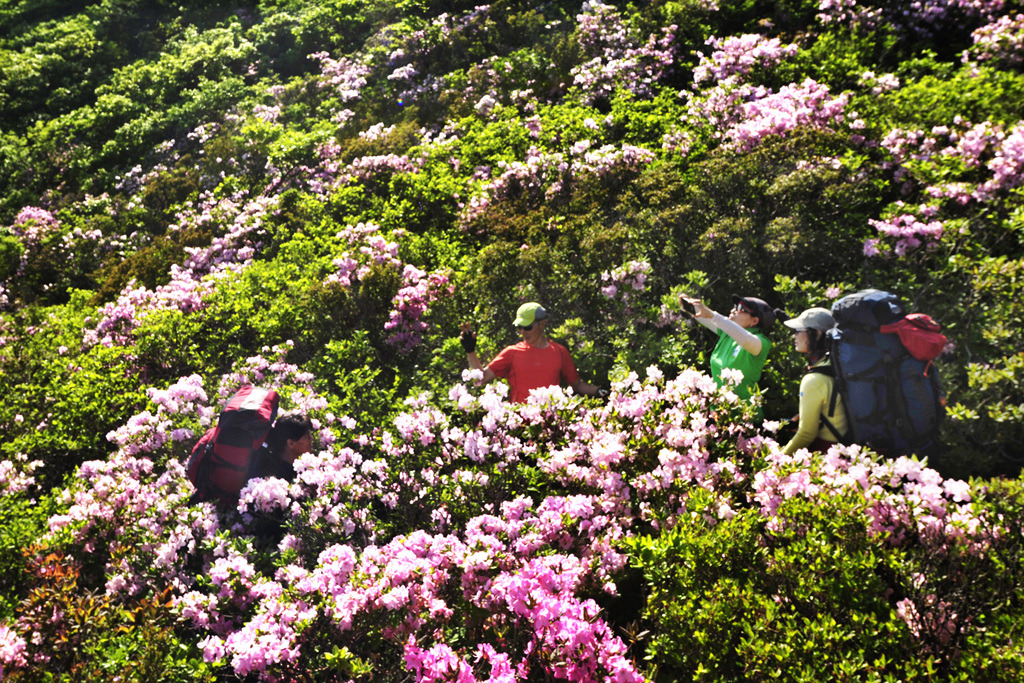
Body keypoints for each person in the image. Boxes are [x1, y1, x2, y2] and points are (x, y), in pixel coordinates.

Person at [461, 302, 605, 403]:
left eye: (528, 327)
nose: (523, 332)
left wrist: (598, 391)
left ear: (542, 324)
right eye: (519, 327)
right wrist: (470, 351)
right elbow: (480, 379)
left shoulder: (559, 352)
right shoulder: (511, 353)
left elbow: (577, 384)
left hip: (549, 425)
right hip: (519, 428)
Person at [681, 294, 781, 401]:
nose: (733, 310)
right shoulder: (727, 334)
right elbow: (702, 315)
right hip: (718, 408)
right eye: (735, 306)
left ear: (754, 321)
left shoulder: (762, 343)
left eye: (740, 308)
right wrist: (686, 303)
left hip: (744, 410)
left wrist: (714, 316)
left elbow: (746, 339)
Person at [781, 307, 849, 455]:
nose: (794, 336)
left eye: (798, 330)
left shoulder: (814, 380)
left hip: (827, 455)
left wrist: (776, 461)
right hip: (847, 449)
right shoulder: (837, 364)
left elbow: (806, 434)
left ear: (817, 334)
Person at [247, 413, 313, 483]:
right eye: (307, 437)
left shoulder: (287, 466)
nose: (312, 438)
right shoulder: (274, 474)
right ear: (291, 443)